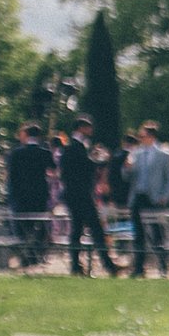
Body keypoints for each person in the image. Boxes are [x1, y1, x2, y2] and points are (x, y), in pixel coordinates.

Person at [60, 117, 118, 277]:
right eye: (88, 127)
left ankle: (75, 266)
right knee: (96, 229)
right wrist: (99, 161)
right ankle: (108, 265)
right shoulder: (74, 146)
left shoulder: (76, 146)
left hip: (75, 195)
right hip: (79, 195)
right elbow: (83, 168)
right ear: (81, 128)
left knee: (77, 230)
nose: (91, 130)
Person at [126, 122, 169, 277]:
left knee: (157, 233)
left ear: (151, 136)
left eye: (143, 136)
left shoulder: (164, 154)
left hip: (154, 198)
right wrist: (127, 167)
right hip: (138, 196)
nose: (141, 138)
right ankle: (139, 268)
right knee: (138, 234)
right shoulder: (136, 153)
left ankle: (162, 266)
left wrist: (164, 196)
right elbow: (128, 176)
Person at [4, 123, 55, 268]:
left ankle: (25, 257)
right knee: (38, 225)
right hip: (39, 195)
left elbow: (11, 176)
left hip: (21, 195)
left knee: (22, 227)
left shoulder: (16, 153)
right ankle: (36, 255)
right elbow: (53, 171)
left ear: (26, 135)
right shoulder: (44, 152)